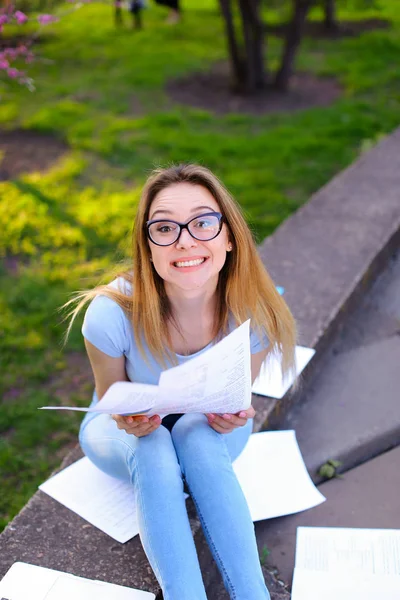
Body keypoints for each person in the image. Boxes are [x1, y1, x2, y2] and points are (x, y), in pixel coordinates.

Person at [65, 164, 296, 600]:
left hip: (208, 429)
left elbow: (234, 400)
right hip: (126, 434)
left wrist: (231, 415)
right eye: (165, 228)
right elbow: (113, 404)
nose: (186, 239)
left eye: (203, 222)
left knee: (196, 433)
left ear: (229, 237)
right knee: (152, 449)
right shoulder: (111, 313)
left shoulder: (256, 310)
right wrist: (129, 419)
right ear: (147, 248)